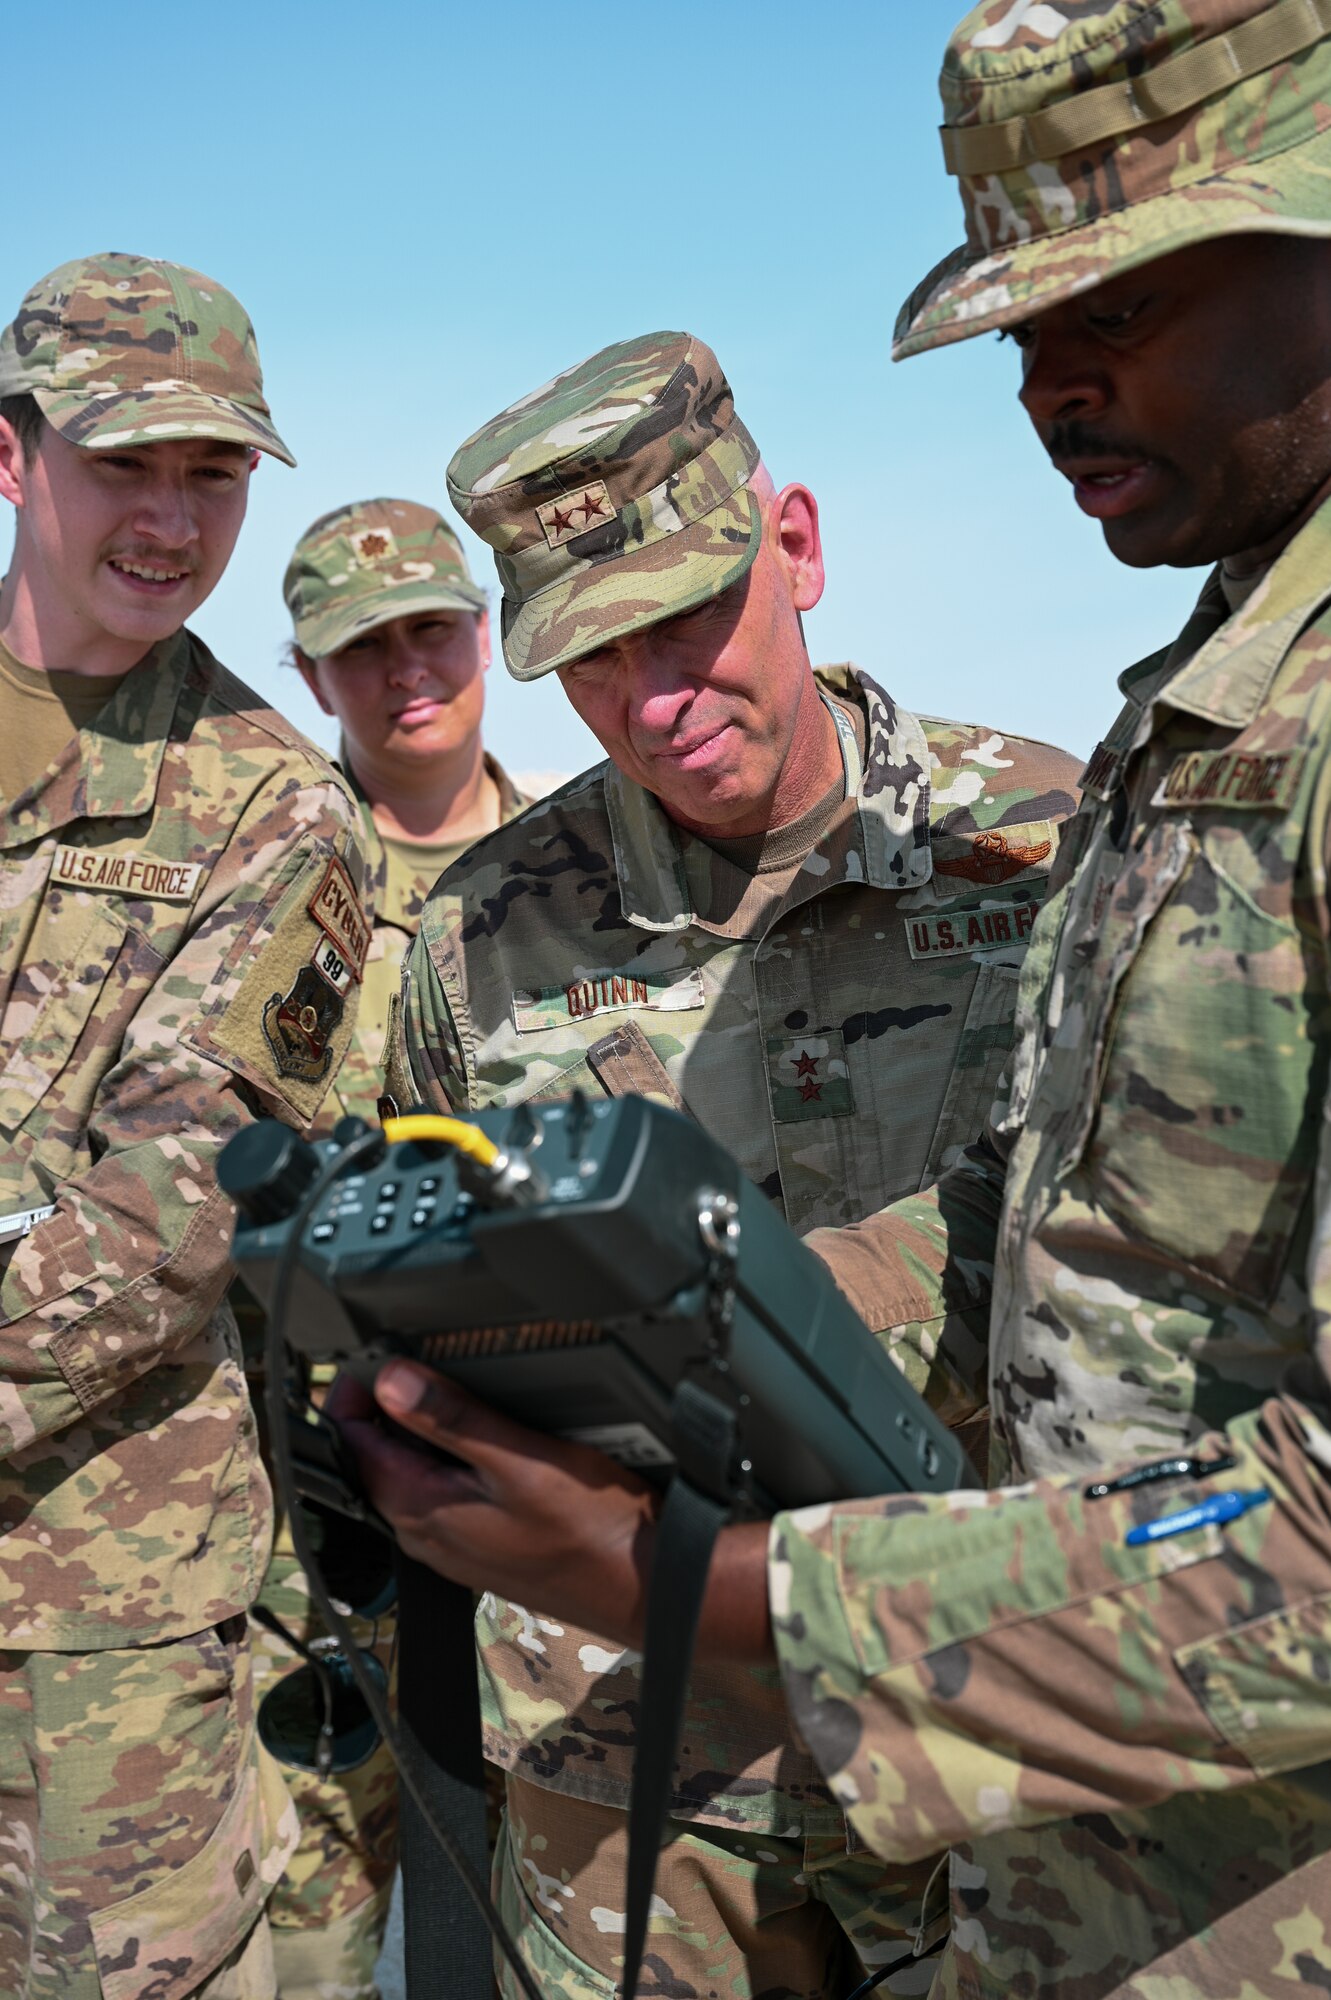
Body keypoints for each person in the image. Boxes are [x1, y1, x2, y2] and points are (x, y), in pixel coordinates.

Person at [339, 6, 1331, 1995]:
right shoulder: (1212, 715)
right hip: (750, 1807)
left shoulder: (1061, 809)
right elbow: (1088, 1253)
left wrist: (689, 1574)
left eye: (1112, 296)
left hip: (1097, 1800)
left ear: (794, 549)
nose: (1049, 385)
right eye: (596, 656)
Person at [374, 329, 1080, 1998]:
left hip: (972, 1718)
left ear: (799, 546)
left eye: (686, 615)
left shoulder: (1050, 844)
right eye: (596, 659)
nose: (659, 699)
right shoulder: (476, 937)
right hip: (630, 1773)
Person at [0, 252, 371, 1999]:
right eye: (125, 462)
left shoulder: (275, 804)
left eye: (211, 473)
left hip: (90, 1625)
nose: (169, 519)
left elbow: (176, 1209)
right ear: (15, 456)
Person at [245, 499, 533, 1999]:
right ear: (310, 674)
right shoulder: (270, 888)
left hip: (547, 1490)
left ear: (483, 631)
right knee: (316, 1935)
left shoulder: (581, 888)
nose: (407, 668)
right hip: (314, 1526)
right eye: (364, 647)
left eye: (431, 626)